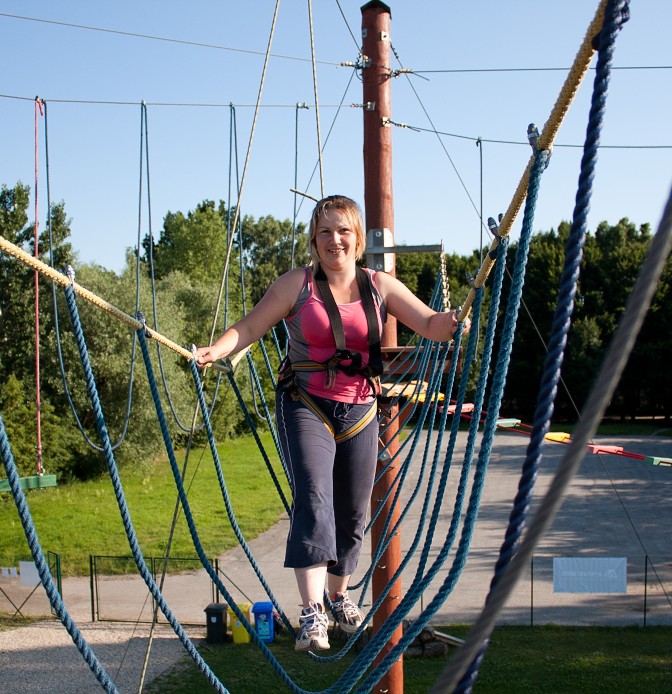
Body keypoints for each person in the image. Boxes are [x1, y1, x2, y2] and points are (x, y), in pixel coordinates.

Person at [193, 195, 468, 652]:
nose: (334, 240)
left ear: (357, 240)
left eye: (343, 231)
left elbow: (431, 324)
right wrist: (216, 350)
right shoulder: (296, 285)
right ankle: (312, 612)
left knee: (354, 512)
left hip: (360, 408)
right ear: (313, 241)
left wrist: (457, 320)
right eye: (325, 231)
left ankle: (338, 596)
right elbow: (250, 327)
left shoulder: (379, 286)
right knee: (315, 498)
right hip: (306, 403)